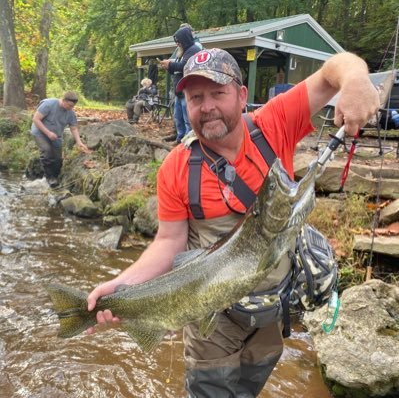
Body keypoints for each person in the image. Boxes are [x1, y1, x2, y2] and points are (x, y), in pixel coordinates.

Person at [87, 48, 379, 397]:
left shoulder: (276, 122)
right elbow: (169, 242)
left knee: (247, 390)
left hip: (273, 309)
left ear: (242, 96)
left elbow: (337, 66)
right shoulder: (176, 168)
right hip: (211, 315)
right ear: (186, 104)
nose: (206, 106)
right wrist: (120, 286)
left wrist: (357, 80)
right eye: (196, 97)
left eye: (217, 93)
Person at [31, 91, 90, 188]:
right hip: (40, 132)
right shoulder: (49, 104)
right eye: (69, 105)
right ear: (63, 100)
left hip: (56, 136)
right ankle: (50, 178)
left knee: (58, 159)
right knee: (47, 150)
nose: (71, 108)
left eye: (73, 106)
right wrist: (48, 133)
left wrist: (79, 142)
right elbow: (36, 119)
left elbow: (74, 128)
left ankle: (56, 177)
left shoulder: (70, 112)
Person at [160, 27, 201, 143]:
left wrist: (170, 64)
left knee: (188, 119)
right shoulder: (181, 52)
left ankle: (188, 142)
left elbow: (185, 66)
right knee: (178, 118)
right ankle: (180, 139)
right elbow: (176, 70)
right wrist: (168, 67)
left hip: (187, 91)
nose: (177, 43)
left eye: (179, 41)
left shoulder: (193, 49)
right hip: (178, 93)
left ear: (184, 39)